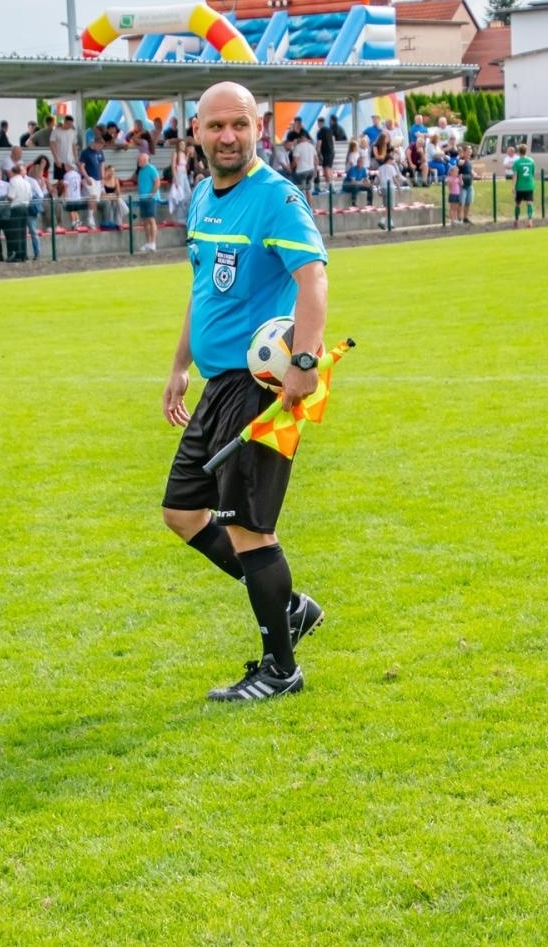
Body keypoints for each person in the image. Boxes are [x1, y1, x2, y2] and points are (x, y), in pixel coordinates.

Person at [160, 81, 328, 703]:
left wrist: (304, 363)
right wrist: (180, 364)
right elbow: (202, 290)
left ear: (259, 127)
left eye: (240, 125)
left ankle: (280, 670)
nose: (227, 137)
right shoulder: (203, 198)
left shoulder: (277, 198)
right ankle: (291, 607)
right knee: (183, 513)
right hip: (214, 384)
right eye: (215, 126)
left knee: (249, 529)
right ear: (196, 132)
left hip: (258, 387)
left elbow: (313, 281)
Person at [135, 152, 160, 251]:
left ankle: (153, 242)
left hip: (150, 198)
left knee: (151, 219)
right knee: (145, 221)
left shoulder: (151, 168)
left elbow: (157, 182)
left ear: (145, 160)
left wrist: (151, 194)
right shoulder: (141, 170)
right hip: (143, 198)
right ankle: (148, 242)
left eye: (140, 160)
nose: (138, 162)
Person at [511, 146, 536, 229]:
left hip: (520, 186)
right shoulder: (531, 161)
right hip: (529, 185)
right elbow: (533, 174)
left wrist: (513, 187)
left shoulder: (517, 162)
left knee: (518, 204)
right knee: (529, 203)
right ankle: (530, 221)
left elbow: (515, 176)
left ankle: (517, 221)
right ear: (526, 151)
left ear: (518, 151)